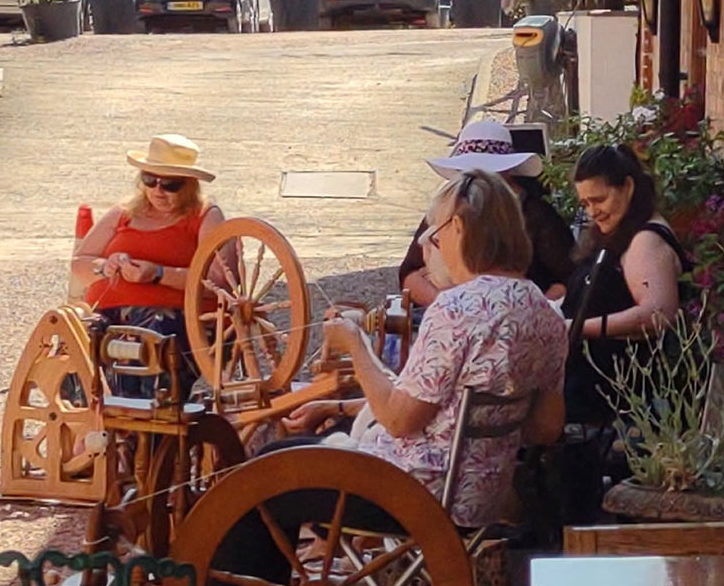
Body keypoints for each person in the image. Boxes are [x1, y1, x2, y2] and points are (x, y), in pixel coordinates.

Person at [284, 169, 568, 529]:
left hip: (413, 493)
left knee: (267, 471)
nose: (428, 246)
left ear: (459, 229)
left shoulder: (454, 309)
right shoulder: (545, 314)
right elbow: (546, 427)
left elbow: (399, 420)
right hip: (483, 498)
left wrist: (355, 344)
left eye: (434, 234)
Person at [558, 143, 690, 523]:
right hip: (602, 388)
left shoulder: (645, 241)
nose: (592, 210)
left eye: (598, 199)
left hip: (616, 397)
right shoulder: (618, 235)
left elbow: (657, 313)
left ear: (628, 187)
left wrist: (579, 329)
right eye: (584, 204)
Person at [71, 134, 227, 397]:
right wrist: (106, 266)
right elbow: (80, 262)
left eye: (170, 184)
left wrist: (157, 274)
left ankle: (132, 424)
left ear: (190, 186)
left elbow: (218, 282)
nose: (158, 190)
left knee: (151, 338)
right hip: (110, 312)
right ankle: (86, 424)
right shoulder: (124, 212)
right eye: (149, 180)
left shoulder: (205, 217)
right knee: (72, 341)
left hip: (173, 314)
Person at [398, 120, 573, 305]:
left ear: (507, 173)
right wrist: (447, 305)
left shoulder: (538, 215)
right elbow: (409, 274)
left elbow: (569, 278)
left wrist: (533, 307)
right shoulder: (449, 207)